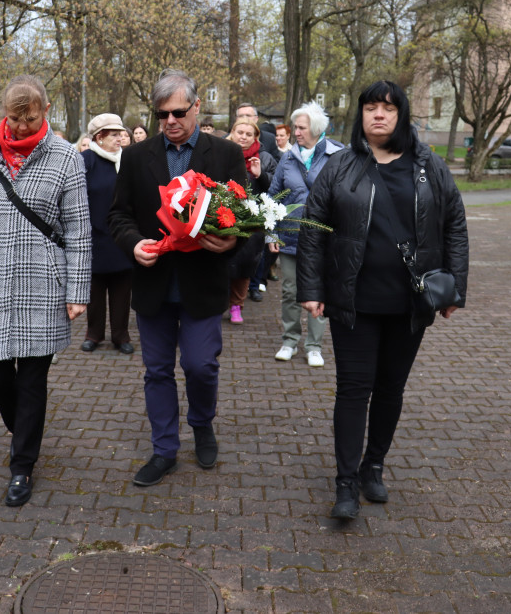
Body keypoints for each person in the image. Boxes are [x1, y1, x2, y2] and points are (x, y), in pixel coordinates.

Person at [296, 80, 468, 520]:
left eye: (388, 108)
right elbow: (314, 228)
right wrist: (312, 290)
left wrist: (454, 288)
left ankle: (375, 466)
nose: (379, 115)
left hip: (410, 302)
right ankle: (346, 483)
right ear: (361, 115)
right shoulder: (340, 166)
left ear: (401, 114)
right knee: (354, 390)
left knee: (391, 389)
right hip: (353, 301)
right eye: (371, 107)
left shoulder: (429, 166)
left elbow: (454, 224)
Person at [0, 75, 91, 507]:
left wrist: (77, 289)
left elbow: (79, 230)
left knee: (32, 378)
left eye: (30, 118)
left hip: (42, 283)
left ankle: (22, 465)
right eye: (15, 118)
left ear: (46, 110)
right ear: (3, 114)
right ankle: (23, 427)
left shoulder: (67, 159)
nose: (23, 127)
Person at [108, 69, 245, 487]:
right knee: (157, 371)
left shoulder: (225, 155)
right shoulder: (135, 157)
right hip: (153, 283)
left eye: (179, 112)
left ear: (197, 108)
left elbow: (246, 217)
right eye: (161, 114)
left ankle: (202, 423)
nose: (170, 121)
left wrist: (231, 242)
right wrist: (132, 244)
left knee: (201, 365)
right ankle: (164, 449)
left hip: (203, 282)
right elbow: (118, 215)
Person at [268, 102, 344, 367]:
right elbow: (272, 199)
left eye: (300, 128)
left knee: (318, 293)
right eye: (295, 127)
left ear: (315, 128)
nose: (295, 132)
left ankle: (314, 346)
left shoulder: (338, 156)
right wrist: (270, 235)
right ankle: (289, 340)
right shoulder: (287, 158)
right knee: (290, 291)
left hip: (324, 241)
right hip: (289, 237)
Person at [80, 113, 134, 355]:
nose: (120, 139)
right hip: (94, 237)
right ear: (99, 137)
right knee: (95, 289)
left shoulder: (128, 160)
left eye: (121, 134)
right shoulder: (85, 161)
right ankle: (94, 334)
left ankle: (121, 336)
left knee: (122, 290)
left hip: (123, 236)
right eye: (114, 135)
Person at [225, 117, 272, 324]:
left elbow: (274, 188)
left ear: (255, 137)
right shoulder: (221, 152)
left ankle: (237, 306)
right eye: (240, 132)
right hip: (222, 217)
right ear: (233, 132)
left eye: (248, 134)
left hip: (251, 220)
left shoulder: (264, 157)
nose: (243, 137)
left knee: (244, 265)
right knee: (221, 262)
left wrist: (260, 175)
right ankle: (218, 303)